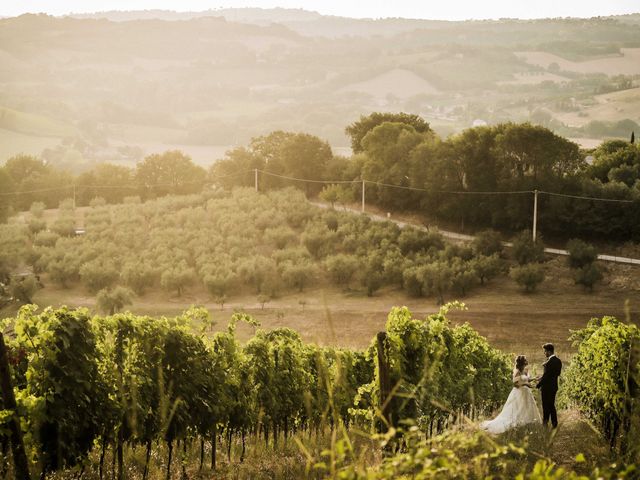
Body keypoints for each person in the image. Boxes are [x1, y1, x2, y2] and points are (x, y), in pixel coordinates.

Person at [481, 355, 541, 434]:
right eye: (525, 360)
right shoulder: (517, 371)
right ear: (522, 362)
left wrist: (534, 379)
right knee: (517, 408)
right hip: (519, 392)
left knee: (527, 407)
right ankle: (518, 423)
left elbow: (527, 379)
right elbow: (515, 384)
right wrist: (525, 385)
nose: (527, 361)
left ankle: (527, 423)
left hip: (526, 392)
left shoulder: (525, 370)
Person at [536, 343, 562, 428]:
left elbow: (547, 376)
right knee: (551, 405)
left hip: (547, 388)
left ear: (549, 351)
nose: (544, 353)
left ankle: (545, 423)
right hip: (554, 386)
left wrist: (538, 385)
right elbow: (557, 373)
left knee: (545, 405)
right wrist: (543, 375)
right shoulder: (558, 361)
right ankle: (554, 423)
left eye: (545, 351)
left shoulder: (549, 362)